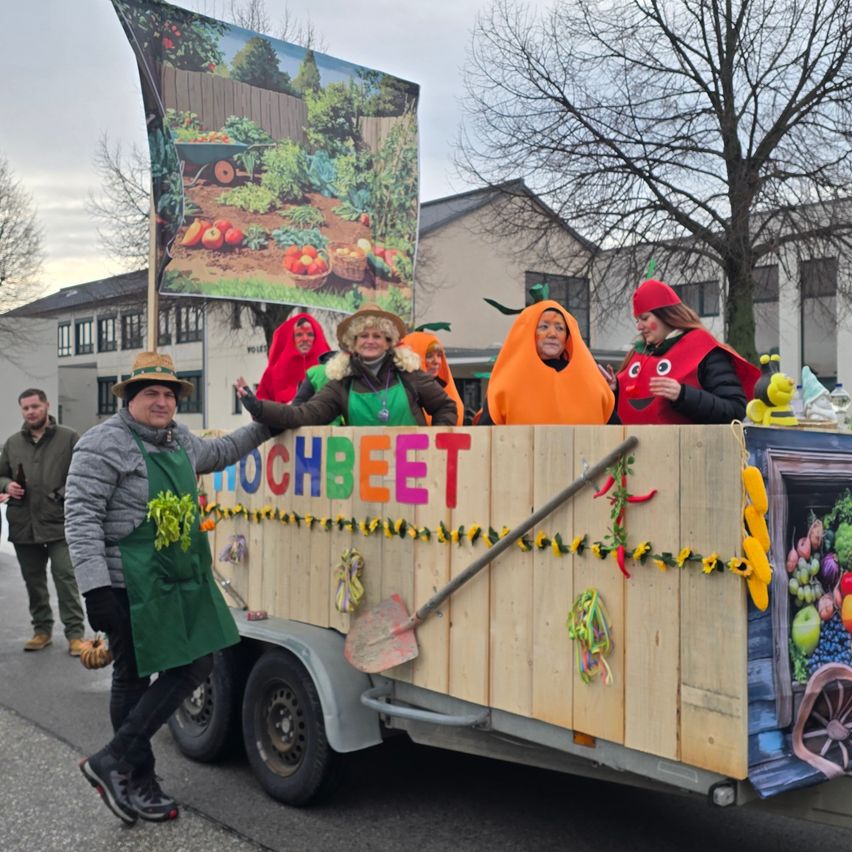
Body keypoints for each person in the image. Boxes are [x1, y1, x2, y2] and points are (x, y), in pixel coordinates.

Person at [65, 352, 271, 825]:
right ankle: (138, 778)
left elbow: (221, 453)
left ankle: (114, 760)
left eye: (169, 394)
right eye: (151, 393)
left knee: (197, 661)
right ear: (130, 399)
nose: (161, 402)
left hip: (175, 578)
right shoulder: (102, 444)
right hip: (126, 582)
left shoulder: (178, 439)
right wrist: (95, 589)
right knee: (133, 678)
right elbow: (80, 519)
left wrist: (268, 419)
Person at [237, 304, 458, 428]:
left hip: (413, 476)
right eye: (363, 336)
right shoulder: (341, 385)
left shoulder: (409, 375)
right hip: (367, 478)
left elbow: (446, 407)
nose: (369, 341)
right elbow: (303, 414)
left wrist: (434, 443)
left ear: (389, 341)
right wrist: (258, 406)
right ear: (353, 343)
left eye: (377, 336)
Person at [0, 389, 85, 655]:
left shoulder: (69, 438)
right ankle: (42, 631)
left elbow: (82, 474)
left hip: (59, 522)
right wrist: (7, 485)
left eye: (35, 406)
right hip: (24, 523)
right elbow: (0, 476)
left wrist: (61, 495)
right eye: (25, 408)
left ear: (47, 406)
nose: (31, 412)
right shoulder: (12, 443)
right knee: (33, 581)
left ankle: (75, 635)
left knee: (66, 577)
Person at [606, 278, 760, 424]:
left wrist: (683, 395)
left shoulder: (704, 350)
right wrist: (614, 392)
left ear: (666, 315)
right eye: (637, 320)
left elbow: (735, 410)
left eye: (645, 318)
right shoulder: (637, 355)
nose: (639, 327)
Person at [478, 300, 616, 425]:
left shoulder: (593, 382)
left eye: (560, 328)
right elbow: (485, 437)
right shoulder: (506, 383)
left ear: (568, 337)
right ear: (530, 332)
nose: (552, 334)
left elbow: (616, 432)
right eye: (544, 327)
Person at [255, 312, 331, 403]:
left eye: (310, 334)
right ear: (292, 338)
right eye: (299, 334)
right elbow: (260, 409)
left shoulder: (330, 369)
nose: (305, 339)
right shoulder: (273, 372)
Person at [400, 331, 464, 425]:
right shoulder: (400, 390)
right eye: (429, 356)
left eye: (439, 355)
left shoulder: (446, 391)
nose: (437, 361)